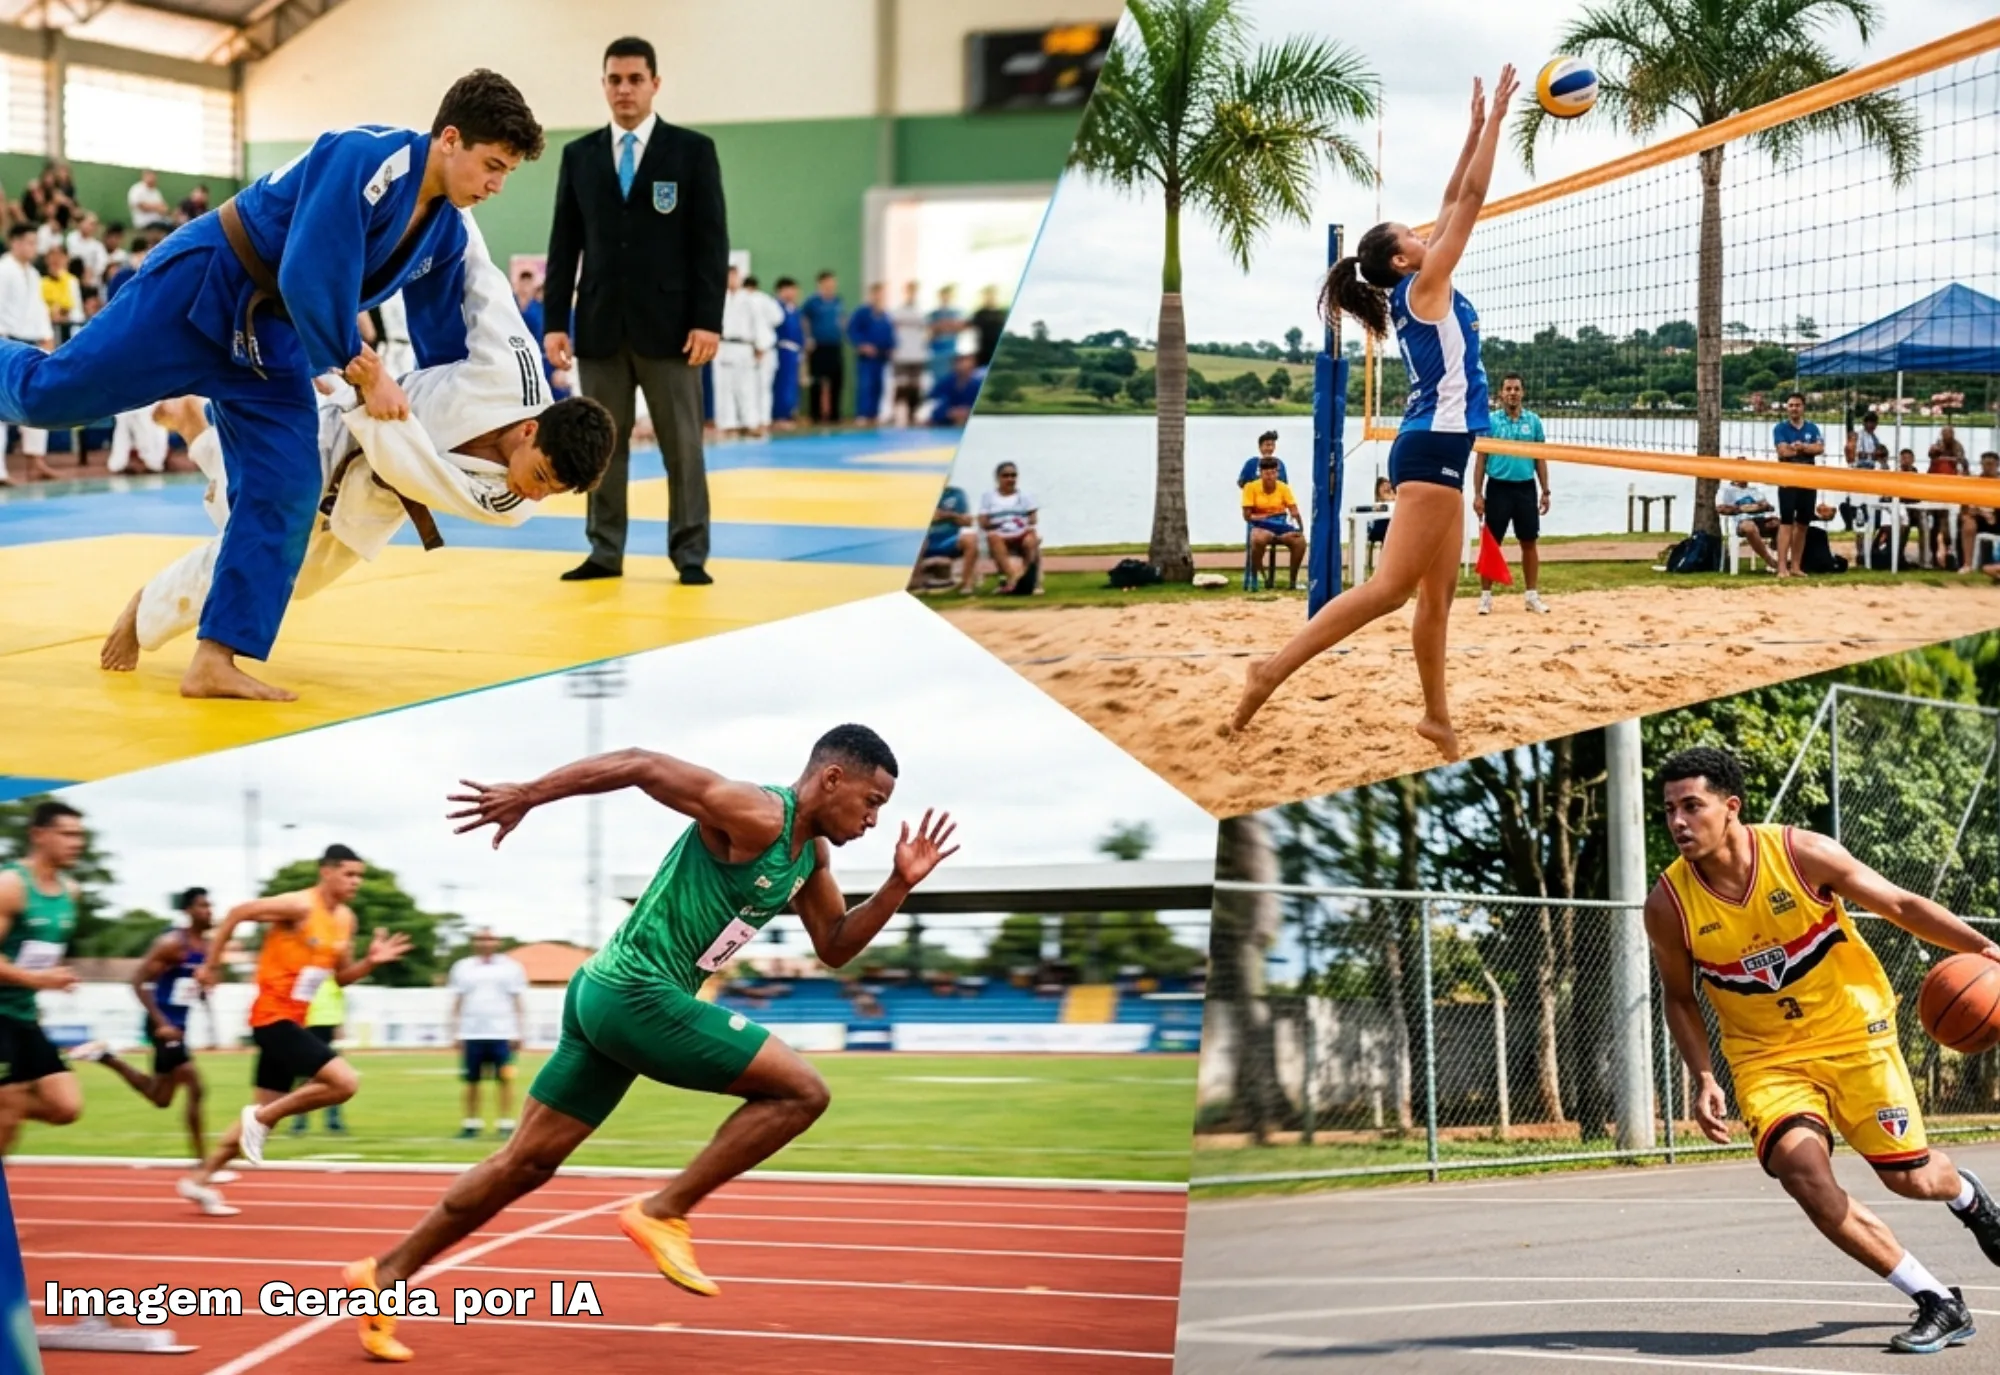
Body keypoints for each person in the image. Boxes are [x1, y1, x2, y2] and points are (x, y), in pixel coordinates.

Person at [341, 727, 958, 1362]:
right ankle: (664, 1210)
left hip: (605, 994)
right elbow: (642, 763)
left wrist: (897, 886)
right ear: (832, 779)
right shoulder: (760, 814)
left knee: (523, 1164)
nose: (875, 820)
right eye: (871, 801)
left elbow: (834, 946)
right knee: (802, 1091)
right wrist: (529, 793)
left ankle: (382, 1277)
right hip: (637, 992)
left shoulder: (809, 859)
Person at [0, 73, 544, 702]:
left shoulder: (444, 234)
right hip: (205, 283)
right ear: (450, 139)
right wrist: (360, 369)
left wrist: (449, 433)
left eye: (506, 173)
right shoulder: (365, 155)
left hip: (272, 342)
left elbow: (443, 348)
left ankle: (215, 656)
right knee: (50, 395)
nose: (496, 186)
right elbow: (309, 270)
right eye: (492, 166)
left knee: (288, 486)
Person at [99, 217, 615, 674]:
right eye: (543, 476)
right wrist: (454, 202)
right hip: (342, 434)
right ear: (531, 430)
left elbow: (417, 473)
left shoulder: (512, 504)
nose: (537, 495)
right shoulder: (513, 370)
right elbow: (482, 281)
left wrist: (369, 392)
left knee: (291, 576)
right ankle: (143, 614)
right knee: (257, 539)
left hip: (377, 492)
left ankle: (197, 430)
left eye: (555, 492)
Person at [1645, 747, 2000, 1354]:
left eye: (1692, 806)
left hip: (1853, 1033)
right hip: (1765, 1057)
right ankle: (1936, 1300)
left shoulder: (1798, 853)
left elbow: (1900, 906)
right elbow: (1679, 998)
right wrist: (1703, 1076)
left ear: (1730, 808)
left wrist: (1986, 949)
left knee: (1912, 1181)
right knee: (1800, 1170)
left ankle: (1965, 1194)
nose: (1678, 821)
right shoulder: (1668, 905)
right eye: (1670, 809)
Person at [1230, 67, 1519, 754]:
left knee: (1436, 599)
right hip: (1432, 450)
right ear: (1401, 254)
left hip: (1440, 448)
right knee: (1391, 590)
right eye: (1414, 234)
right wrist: (1501, 122)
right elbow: (1472, 198)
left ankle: (1437, 717)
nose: (1428, 232)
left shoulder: (1416, 285)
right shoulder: (1426, 286)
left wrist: (1473, 126)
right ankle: (1267, 672)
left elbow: (1454, 196)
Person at [544, 36, 725, 587]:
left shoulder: (691, 151)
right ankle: (604, 550)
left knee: (683, 449)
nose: (624, 89)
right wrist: (554, 320)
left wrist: (708, 320)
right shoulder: (580, 156)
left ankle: (690, 553)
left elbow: (709, 243)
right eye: (615, 80)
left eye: (635, 79)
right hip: (599, 327)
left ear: (654, 84)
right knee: (599, 447)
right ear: (603, 84)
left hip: (673, 331)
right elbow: (563, 244)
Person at [180, 845, 410, 1214]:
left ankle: (199, 1180)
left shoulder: (345, 919)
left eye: (360, 876)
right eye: (349, 874)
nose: (356, 882)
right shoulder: (299, 905)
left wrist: (370, 962)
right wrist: (212, 965)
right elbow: (239, 913)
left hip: (294, 1021)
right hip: (271, 1018)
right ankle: (259, 1121)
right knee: (344, 1082)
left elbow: (341, 977)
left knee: (261, 1111)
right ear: (326, 872)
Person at [70, 888, 229, 1195]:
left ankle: (107, 1058)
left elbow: (201, 987)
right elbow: (137, 981)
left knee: (161, 1098)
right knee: (196, 1086)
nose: (209, 911)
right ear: (187, 911)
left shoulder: (207, 948)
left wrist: (207, 995)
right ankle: (202, 1165)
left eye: (211, 905)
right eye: (202, 905)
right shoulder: (172, 944)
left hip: (179, 1027)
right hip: (163, 1026)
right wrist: (161, 1023)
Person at [0, 801, 85, 1155]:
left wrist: (53, 978)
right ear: (39, 835)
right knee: (10, 1102)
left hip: (24, 1015)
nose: (76, 843)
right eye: (67, 834)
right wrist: (38, 981)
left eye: (80, 835)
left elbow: (37, 955)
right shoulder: (11, 885)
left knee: (66, 1107)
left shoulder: (71, 892)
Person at [1473, 372, 1550, 614]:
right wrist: (1477, 494)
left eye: (1516, 389)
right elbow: (1481, 459)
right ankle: (1486, 596)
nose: (1512, 393)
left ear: (1522, 392)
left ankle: (1531, 595)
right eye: (1508, 389)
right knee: (1491, 543)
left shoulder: (1534, 421)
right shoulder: (1490, 421)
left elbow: (1540, 459)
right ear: (1501, 393)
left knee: (1529, 541)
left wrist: (1545, 491)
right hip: (1498, 487)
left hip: (1525, 487)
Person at [446, 929, 529, 1139]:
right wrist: (455, 1032)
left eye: (490, 938)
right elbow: (457, 1001)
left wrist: (519, 1032)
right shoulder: (463, 967)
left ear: (498, 941)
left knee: (505, 1079)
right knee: (471, 1081)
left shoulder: (511, 968)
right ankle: (471, 1123)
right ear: (474, 942)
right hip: (472, 1033)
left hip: (502, 1032)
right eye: (481, 939)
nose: (485, 942)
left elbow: (518, 1000)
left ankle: (506, 1122)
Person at [0, 224, 53, 484]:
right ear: (15, 242)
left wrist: (47, 336)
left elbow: (39, 309)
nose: (33, 248)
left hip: (32, 341)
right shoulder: (3, 269)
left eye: (35, 242)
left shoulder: (33, 273)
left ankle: (36, 461)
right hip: (7, 341)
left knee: (37, 402)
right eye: (29, 242)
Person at [712, 265, 771, 439]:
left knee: (747, 388)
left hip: (744, 346)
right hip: (723, 346)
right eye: (728, 276)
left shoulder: (749, 299)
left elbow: (759, 323)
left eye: (734, 276)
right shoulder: (718, 298)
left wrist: (761, 345)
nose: (732, 280)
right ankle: (728, 424)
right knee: (724, 388)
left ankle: (750, 423)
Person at [1771, 391, 1824, 579]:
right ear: (1787, 408)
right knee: (1786, 522)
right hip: (1788, 479)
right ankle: (1782, 568)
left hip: (1809, 479)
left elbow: (1820, 448)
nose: (1794, 408)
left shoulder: (1812, 427)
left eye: (1797, 405)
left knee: (1802, 523)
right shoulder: (1780, 428)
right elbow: (1783, 452)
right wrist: (1802, 449)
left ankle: (1796, 566)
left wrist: (1803, 448)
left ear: (1803, 407)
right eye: (1791, 405)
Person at [291, 972, 347, 1135]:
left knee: (336, 1078)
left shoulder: (333, 977)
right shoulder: (305, 974)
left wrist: (339, 1026)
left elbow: (338, 1002)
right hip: (308, 1027)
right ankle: (300, 1122)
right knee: (305, 1078)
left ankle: (333, 1121)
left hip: (327, 1028)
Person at [1241, 454, 1305, 589]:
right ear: (1261, 473)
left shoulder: (1283, 487)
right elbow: (1247, 516)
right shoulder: (1250, 487)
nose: (1270, 476)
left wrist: (1299, 527)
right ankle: (1264, 578)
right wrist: (1264, 517)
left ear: (1277, 473)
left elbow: (1293, 509)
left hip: (1280, 522)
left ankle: (1292, 581)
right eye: (1266, 473)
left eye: (1273, 472)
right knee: (1258, 539)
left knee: (1299, 541)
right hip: (1261, 523)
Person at [979, 461, 1040, 593]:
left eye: (1013, 476)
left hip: (1020, 532)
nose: (1010, 479)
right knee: (993, 537)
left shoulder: (1025, 496)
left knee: (1031, 539)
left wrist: (1023, 522)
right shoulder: (989, 497)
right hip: (1000, 533)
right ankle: (1013, 578)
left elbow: (1033, 519)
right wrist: (998, 523)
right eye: (1006, 476)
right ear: (998, 478)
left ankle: (1026, 578)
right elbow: (983, 522)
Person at [910, 483, 978, 595]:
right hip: (926, 540)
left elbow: (966, 521)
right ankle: (916, 583)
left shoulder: (957, 494)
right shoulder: (920, 493)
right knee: (917, 539)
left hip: (949, 540)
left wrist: (946, 515)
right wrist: (954, 516)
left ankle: (967, 584)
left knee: (970, 538)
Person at [847, 282, 896, 426]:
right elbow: (852, 331)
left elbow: (890, 335)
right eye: (877, 293)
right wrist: (862, 345)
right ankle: (862, 414)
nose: (879, 297)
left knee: (878, 386)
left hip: (882, 357)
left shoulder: (886, 315)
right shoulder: (862, 313)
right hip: (866, 357)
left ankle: (874, 414)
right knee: (865, 385)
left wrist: (892, 347)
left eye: (882, 294)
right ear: (871, 295)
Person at [742, 274, 785, 436]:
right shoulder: (767, 299)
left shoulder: (747, 300)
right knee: (763, 388)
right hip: (766, 348)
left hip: (754, 347)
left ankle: (754, 422)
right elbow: (778, 319)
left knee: (751, 388)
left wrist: (759, 345)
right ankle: (763, 421)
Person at [801, 271, 844, 424]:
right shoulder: (812, 302)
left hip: (835, 345)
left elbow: (841, 318)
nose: (831, 285)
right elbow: (803, 320)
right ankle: (816, 415)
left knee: (837, 380)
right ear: (820, 283)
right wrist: (807, 338)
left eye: (833, 282)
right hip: (818, 346)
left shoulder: (838, 301)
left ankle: (834, 415)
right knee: (817, 381)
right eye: (828, 282)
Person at [1719, 467, 1780, 571]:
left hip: (1760, 520)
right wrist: (1754, 507)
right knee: (1749, 527)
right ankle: (1769, 561)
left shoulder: (1754, 490)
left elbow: (1767, 506)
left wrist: (1743, 508)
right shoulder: (1726, 491)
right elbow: (1722, 509)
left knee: (1781, 523)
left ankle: (1780, 554)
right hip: (1742, 522)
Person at [890, 279, 929, 424]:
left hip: (917, 355)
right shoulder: (897, 311)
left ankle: (913, 414)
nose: (912, 293)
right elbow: (892, 331)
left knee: (915, 385)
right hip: (901, 354)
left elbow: (927, 332)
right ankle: (896, 414)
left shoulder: (922, 311)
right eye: (910, 290)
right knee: (901, 384)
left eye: (915, 290)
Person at [769, 276, 804, 427]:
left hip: (794, 351)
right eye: (790, 289)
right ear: (781, 290)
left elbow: (799, 332)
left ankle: (789, 413)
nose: (793, 293)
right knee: (782, 384)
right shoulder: (775, 307)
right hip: (782, 349)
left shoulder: (794, 309)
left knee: (791, 384)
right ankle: (779, 416)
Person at [1958, 451, 2000, 575]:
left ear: (1997, 465)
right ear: (1981, 464)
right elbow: (1966, 506)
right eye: (1986, 464)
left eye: (1991, 464)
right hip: (1979, 517)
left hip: (1997, 516)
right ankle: (1968, 564)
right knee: (1968, 523)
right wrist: (1982, 513)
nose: (1988, 467)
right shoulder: (1974, 482)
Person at [927, 351, 983, 427]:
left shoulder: (978, 385)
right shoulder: (945, 383)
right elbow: (933, 404)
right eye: (961, 361)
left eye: (968, 360)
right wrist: (949, 412)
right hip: (945, 425)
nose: (964, 365)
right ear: (955, 364)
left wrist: (968, 412)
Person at [927, 285, 964, 386]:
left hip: (951, 349)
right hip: (937, 351)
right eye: (943, 295)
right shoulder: (933, 314)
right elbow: (930, 332)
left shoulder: (956, 313)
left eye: (948, 295)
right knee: (938, 380)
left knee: (952, 379)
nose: (945, 298)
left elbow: (959, 329)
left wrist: (945, 326)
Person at [969, 285, 1008, 368]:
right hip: (982, 353)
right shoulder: (979, 314)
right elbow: (971, 333)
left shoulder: (1003, 313)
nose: (990, 297)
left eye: (992, 295)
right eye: (987, 295)